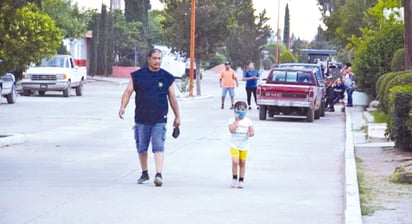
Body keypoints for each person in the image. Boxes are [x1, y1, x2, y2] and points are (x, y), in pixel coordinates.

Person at [118, 48, 181, 187]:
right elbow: (128, 92)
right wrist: (123, 107)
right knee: (142, 147)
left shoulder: (166, 77)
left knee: (158, 145)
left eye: (159, 58)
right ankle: (144, 172)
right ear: (149, 59)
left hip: (160, 118)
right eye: (155, 58)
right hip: (141, 118)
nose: (157, 61)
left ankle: (158, 174)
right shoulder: (138, 76)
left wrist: (177, 116)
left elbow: (173, 98)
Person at [228, 101, 254, 189]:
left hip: (244, 145)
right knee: (235, 161)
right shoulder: (231, 120)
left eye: (242, 109)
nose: (240, 111)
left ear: (246, 110)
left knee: (242, 162)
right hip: (234, 144)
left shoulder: (248, 121)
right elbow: (231, 130)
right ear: (235, 110)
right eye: (238, 109)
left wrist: (250, 133)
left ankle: (241, 180)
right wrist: (236, 121)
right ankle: (234, 178)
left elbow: (252, 131)